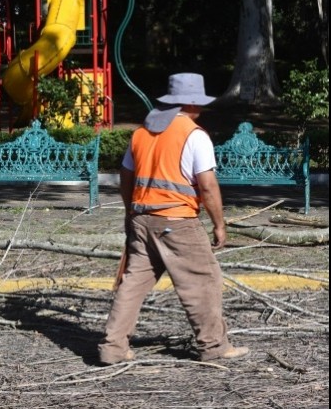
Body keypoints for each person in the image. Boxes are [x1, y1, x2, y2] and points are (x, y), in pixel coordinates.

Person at [97, 73, 249, 364]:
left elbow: (125, 177)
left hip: (142, 219)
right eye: (199, 104)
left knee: (133, 284)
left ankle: (113, 348)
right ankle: (214, 346)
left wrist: (132, 212)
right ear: (191, 104)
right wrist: (219, 223)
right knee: (204, 280)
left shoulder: (141, 133)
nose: (201, 109)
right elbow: (207, 185)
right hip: (177, 221)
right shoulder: (194, 135)